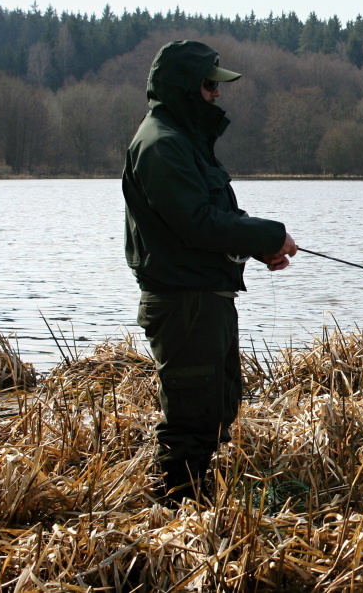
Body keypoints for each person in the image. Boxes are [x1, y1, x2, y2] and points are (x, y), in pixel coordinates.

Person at [122, 40, 297, 505]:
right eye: (207, 85)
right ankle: (173, 518)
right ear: (184, 87)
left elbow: (214, 220)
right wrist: (268, 234)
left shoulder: (185, 141)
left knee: (216, 409)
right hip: (184, 305)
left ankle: (194, 508)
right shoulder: (161, 144)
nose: (216, 94)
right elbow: (196, 223)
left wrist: (259, 248)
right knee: (191, 420)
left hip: (205, 301)